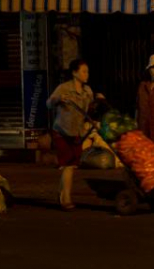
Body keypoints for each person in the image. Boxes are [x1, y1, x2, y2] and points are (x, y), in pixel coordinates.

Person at [46, 59, 93, 211]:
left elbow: (89, 110)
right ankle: (66, 199)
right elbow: (48, 103)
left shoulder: (88, 91)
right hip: (62, 131)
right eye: (84, 71)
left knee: (71, 166)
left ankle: (62, 195)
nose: (87, 74)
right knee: (67, 165)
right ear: (74, 73)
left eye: (87, 71)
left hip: (76, 133)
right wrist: (58, 99)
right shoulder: (64, 88)